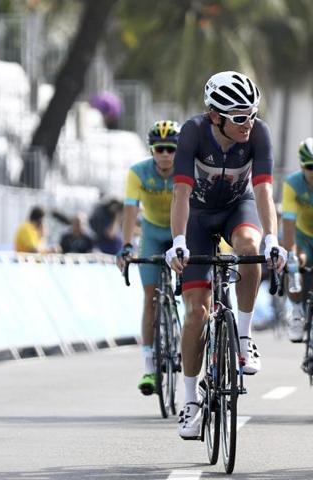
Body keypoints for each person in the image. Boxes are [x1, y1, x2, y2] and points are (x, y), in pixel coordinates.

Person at [166, 71, 286, 439]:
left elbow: (264, 191)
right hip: (198, 217)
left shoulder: (258, 133)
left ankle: (245, 339)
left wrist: (272, 239)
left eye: (251, 113)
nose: (248, 123)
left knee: (250, 251)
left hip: (239, 208)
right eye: (239, 117)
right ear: (215, 116)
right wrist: (179, 240)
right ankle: (190, 402)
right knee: (196, 314)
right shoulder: (193, 132)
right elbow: (181, 194)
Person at [117, 120, 180, 396]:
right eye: (159, 149)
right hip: (153, 234)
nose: (165, 154)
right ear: (152, 150)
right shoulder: (138, 172)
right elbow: (130, 209)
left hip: (182, 233)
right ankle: (149, 367)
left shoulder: (186, 171)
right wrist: (127, 245)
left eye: (170, 148)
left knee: (196, 294)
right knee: (150, 299)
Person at [281, 138, 313, 345]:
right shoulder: (292, 184)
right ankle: (296, 311)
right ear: (302, 166)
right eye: (310, 167)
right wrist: (291, 255)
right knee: (293, 260)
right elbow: (288, 228)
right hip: (302, 236)